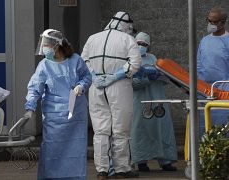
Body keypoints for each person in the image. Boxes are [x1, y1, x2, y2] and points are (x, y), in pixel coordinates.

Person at [24, 29, 92, 180]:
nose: (44, 48)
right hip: (54, 118)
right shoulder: (44, 65)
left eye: (46, 45)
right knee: (51, 151)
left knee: (75, 151)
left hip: (76, 116)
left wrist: (81, 86)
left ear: (57, 45)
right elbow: (35, 88)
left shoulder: (76, 60)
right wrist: (30, 107)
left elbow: (87, 76)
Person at [81, 11, 141, 179]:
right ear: (125, 24)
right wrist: (117, 75)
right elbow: (135, 63)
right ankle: (122, 169)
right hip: (119, 87)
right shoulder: (127, 39)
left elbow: (83, 61)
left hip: (96, 88)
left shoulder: (93, 38)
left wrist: (93, 75)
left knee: (100, 131)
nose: (130, 29)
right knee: (120, 129)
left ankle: (102, 170)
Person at [129, 32, 178, 172]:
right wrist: (146, 78)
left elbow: (165, 78)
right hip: (140, 102)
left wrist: (162, 75)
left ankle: (166, 161)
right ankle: (141, 161)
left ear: (149, 46)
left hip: (157, 100)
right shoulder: (130, 60)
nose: (141, 46)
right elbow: (131, 83)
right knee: (140, 131)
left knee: (162, 129)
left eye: (144, 44)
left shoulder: (153, 58)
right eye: (138, 43)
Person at [197, 6, 229, 135]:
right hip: (204, 91)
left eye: (214, 22)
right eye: (209, 21)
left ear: (223, 22)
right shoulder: (204, 41)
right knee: (205, 128)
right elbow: (198, 64)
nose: (211, 24)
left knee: (223, 128)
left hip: (224, 91)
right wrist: (198, 86)